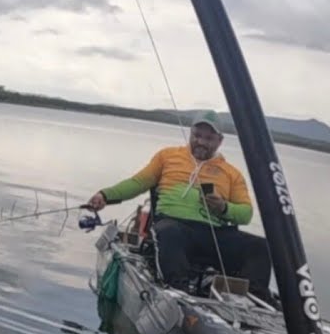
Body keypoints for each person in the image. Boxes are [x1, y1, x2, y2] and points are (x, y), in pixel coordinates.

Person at [84, 111, 273, 302]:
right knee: (169, 231)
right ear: (190, 133)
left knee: (260, 246)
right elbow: (137, 183)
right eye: (197, 135)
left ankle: (255, 299)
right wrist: (105, 196)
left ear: (220, 141)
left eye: (209, 138)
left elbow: (246, 213)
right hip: (175, 230)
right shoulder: (167, 156)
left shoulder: (232, 174)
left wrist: (223, 207)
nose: (201, 142)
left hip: (214, 235)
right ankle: (179, 292)